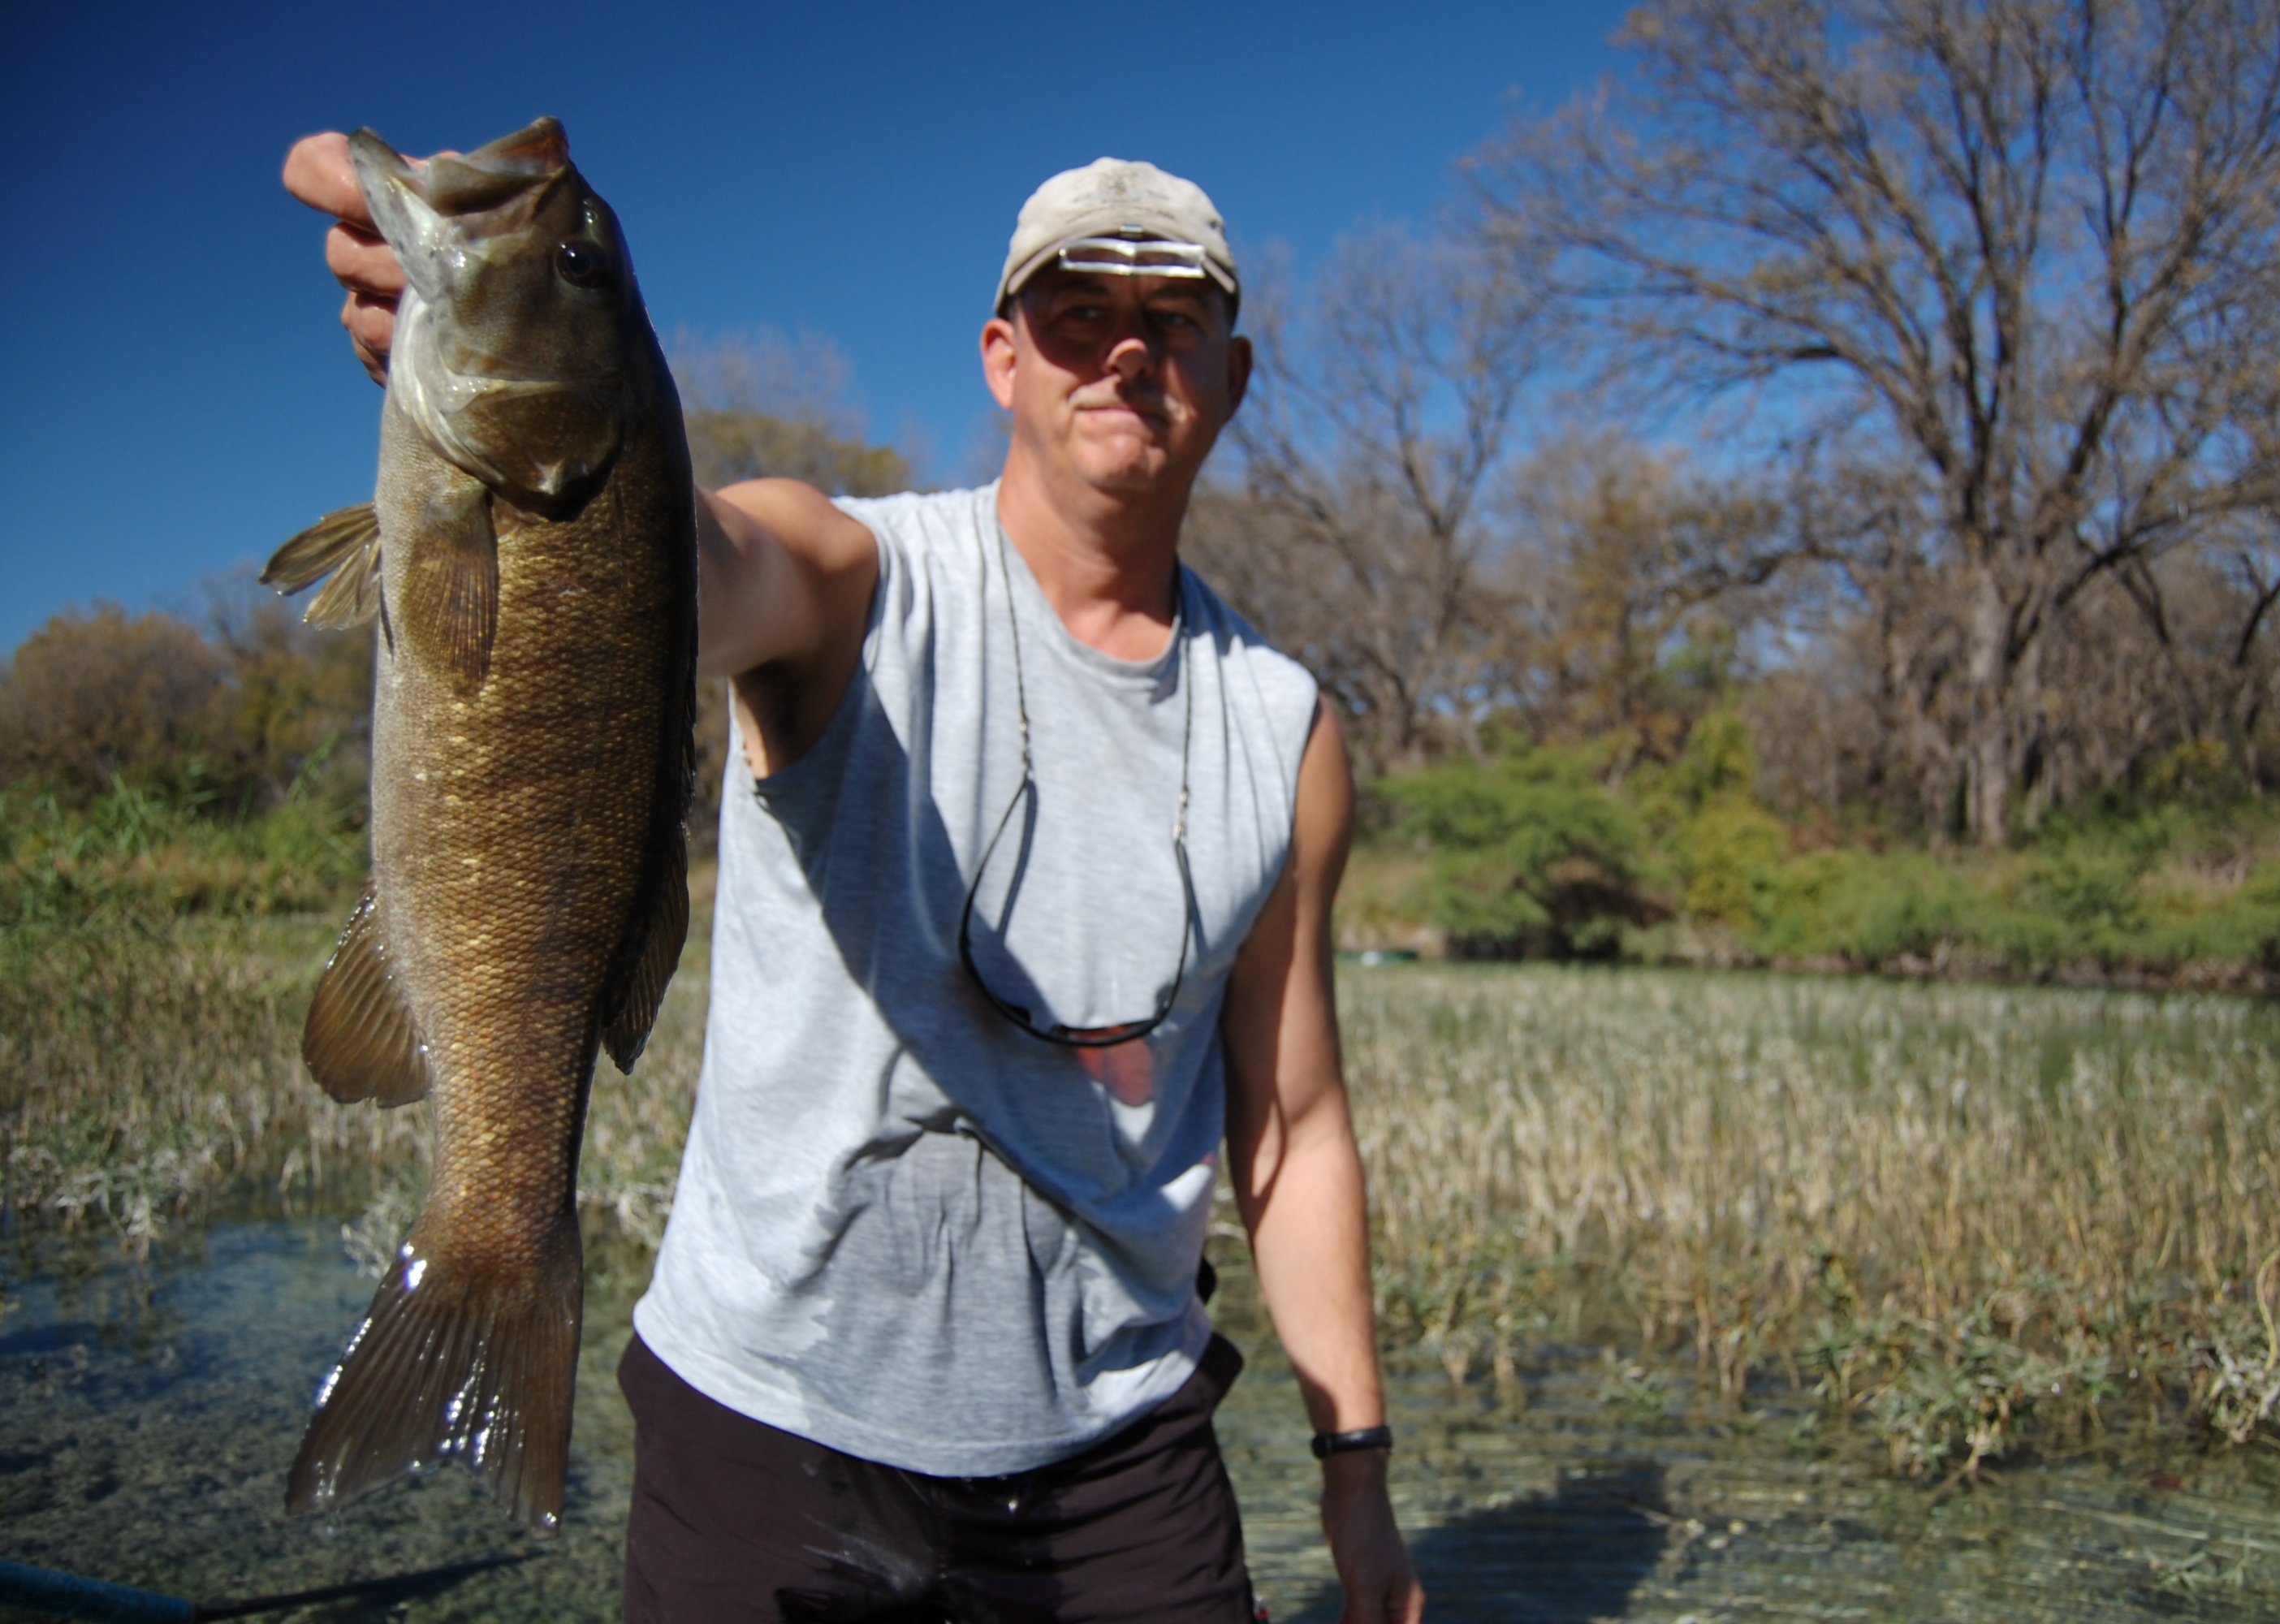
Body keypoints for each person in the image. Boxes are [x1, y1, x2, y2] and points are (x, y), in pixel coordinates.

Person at [283, 136, 1426, 1624]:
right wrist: (492, 370)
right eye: (1078, 314)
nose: (1127, 350)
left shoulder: (1286, 728)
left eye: (1173, 318)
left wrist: (1358, 1476)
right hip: (772, 1425)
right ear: (1003, 357)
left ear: (1235, 371)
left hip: (1122, 1447)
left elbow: (1297, 1128)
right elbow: (694, 560)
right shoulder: (853, 574)